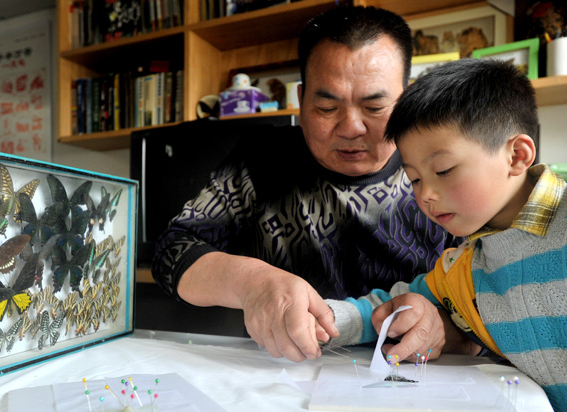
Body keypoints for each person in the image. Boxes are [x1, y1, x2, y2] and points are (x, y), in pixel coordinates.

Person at [152, 6, 462, 363]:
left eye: (374, 107)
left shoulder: (442, 167)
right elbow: (172, 251)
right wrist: (252, 282)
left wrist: (446, 331)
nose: (351, 128)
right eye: (327, 107)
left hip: (415, 379)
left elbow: (494, 290)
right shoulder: (260, 160)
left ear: (405, 101)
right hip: (281, 373)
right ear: (300, 100)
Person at [325, 58, 567, 410]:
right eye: (415, 179)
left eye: (444, 170)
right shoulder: (462, 271)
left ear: (517, 155)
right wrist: (321, 319)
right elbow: (388, 307)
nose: (425, 195)